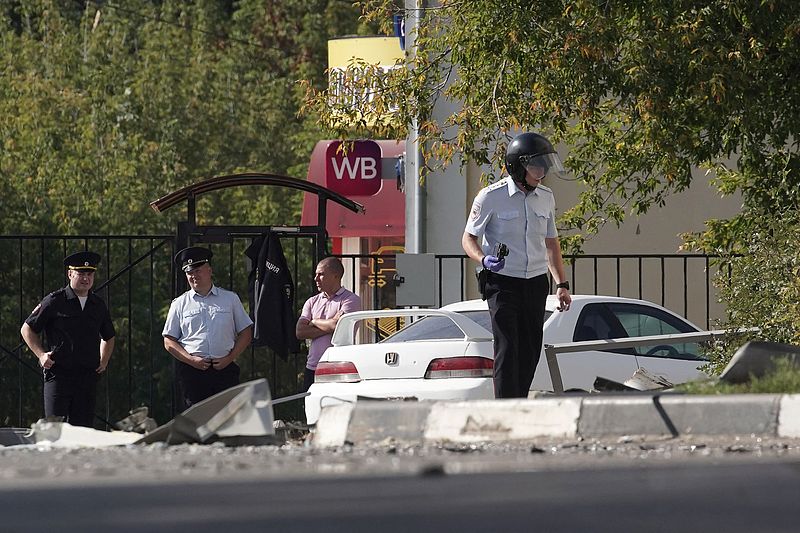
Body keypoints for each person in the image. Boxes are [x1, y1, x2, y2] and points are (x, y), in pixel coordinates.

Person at [462, 131, 572, 399]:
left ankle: (519, 399)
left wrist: (561, 284)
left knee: (531, 347)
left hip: (534, 281)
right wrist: (483, 258)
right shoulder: (490, 197)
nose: (541, 173)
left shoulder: (545, 197)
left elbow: (551, 244)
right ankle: (505, 405)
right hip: (502, 282)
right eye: (536, 166)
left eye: (543, 167)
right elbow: (468, 238)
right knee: (508, 346)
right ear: (518, 166)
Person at [20, 251, 116, 427]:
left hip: (87, 377)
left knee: (82, 431)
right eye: (81, 274)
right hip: (59, 375)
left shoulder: (97, 305)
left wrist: (104, 360)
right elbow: (27, 329)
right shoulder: (54, 301)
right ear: (70, 274)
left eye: (90, 274)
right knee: (54, 429)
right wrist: (41, 355)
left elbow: (109, 336)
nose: (86, 278)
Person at [162, 246, 253, 407]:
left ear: (209, 270)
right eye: (189, 272)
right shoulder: (179, 304)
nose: (194, 276)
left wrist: (229, 358)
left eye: (198, 270)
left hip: (224, 370)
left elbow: (246, 332)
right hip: (193, 372)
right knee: (198, 424)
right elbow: (169, 341)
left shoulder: (230, 299)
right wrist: (190, 360)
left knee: (228, 420)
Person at [296, 257, 361, 392]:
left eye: (321, 274)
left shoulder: (351, 300)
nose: (316, 278)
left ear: (335, 276)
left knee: (338, 410)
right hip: (313, 367)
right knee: (311, 410)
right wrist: (331, 325)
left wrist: (314, 322)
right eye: (316, 274)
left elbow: (338, 326)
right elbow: (300, 332)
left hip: (338, 367)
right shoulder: (312, 301)